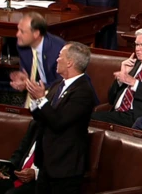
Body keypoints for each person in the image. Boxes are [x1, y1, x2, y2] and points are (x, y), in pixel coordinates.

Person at [24, 41, 97, 193]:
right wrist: (36, 99)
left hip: (65, 167)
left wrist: (41, 99)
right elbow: (42, 117)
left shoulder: (83, 91)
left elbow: (59, 122)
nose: (57, 59)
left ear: (70, 62)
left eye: (60, 56)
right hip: (46, 163)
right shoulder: (58, 85)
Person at [10, 12, 65, 108]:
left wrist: (37, 88)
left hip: (57, 99)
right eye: (18, 29)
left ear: (36, 34)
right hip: (35, 98)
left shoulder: (58, 50)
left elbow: (63, 83)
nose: (17, 34)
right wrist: (23, 79)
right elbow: (26, 72)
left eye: (22, 31)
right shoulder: (22, 45)